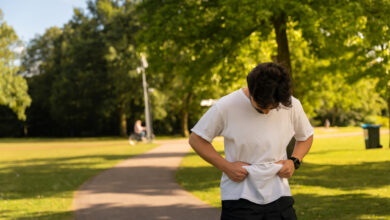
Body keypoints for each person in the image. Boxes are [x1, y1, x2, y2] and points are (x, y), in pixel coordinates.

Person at [189, 62, 314, 220]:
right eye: (262, 107)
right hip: (239, 198)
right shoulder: (226, 106)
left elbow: (306, 136)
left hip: (279, 194)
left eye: (273, 107)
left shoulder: (290, 103)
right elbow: (196, 139)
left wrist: (294, 161)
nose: (267, 111)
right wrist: (226, 166)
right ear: (251, 90)